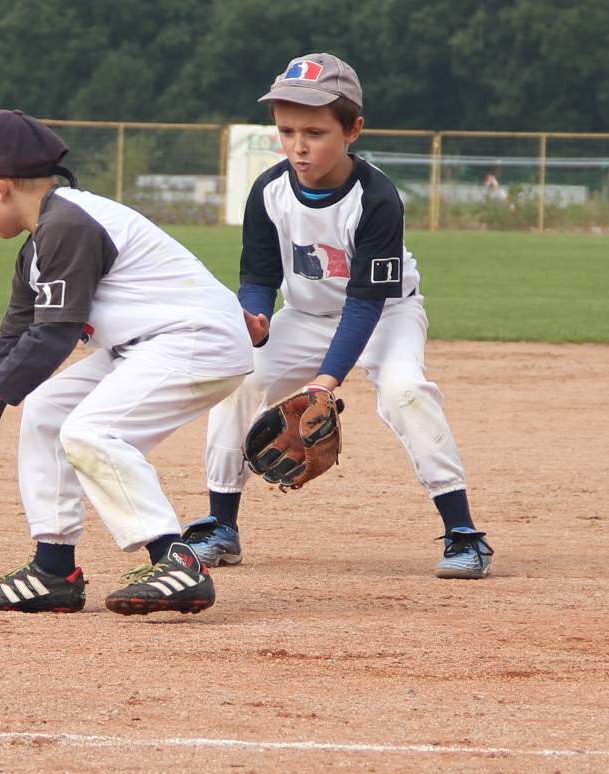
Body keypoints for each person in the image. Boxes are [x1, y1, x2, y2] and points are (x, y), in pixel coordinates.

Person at [0, 109, 254, 614]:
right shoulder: (39, 243)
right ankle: (54, 569)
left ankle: (175, 561)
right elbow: (13, 344)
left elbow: (53, 338)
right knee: (48, 409)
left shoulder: (67, 224)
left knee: (91, 431)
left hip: (195, 342)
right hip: (148, 344)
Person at [184, 53, 494, 579]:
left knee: (405, 392)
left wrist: (325, 385)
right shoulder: (269, 191)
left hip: (386, 314)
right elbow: (259, 276)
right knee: (236, 377)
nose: (299, 146)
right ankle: (222, 525)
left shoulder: (376, 198)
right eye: (286, 131)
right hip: (304, 315)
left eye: (315, 131)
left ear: (352, 129)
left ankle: (463, 531)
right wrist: (255, 317)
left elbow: (366, 303)